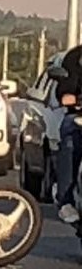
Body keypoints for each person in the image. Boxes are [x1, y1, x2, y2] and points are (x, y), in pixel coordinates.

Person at [53, 42, 82, 223]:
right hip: (79, 115)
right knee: (70, 137)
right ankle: (65, 200)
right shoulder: (76, 57)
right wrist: (73, 98)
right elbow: (65, 92)